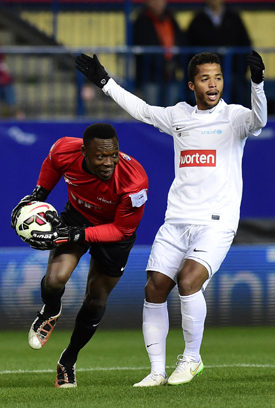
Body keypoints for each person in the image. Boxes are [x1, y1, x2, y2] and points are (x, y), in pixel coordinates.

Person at [75, 50, 267, 386]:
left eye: (218, 77)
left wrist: (258, 83)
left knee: (189, 280)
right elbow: (143, 110)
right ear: (192, 84)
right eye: (206, 78)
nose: (213, 83)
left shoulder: (235, 117)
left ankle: (192, 359)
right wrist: (105, 82)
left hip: (216, 221)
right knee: (154, 288)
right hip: (177, 219)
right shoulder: (179, 115)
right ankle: (156, 372)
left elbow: (260, 120)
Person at [11, 123, 149, 388]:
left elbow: (121, 229)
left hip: (113, 235)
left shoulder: (135, 181)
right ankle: (51, 310)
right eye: (100, 157)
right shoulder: (65, 149)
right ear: (84, 151)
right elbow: (52, 162)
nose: (109, 163)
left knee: (96, 300)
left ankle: (68, 360)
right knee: (54, 280)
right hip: (77, 215)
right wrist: (40, 193)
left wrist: (73, 235)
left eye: (114, 155)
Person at [186, 0, 252, 105]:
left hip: (233, 74)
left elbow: (245, 45)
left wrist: (242, 70)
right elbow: (189, 47)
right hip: (205, 75)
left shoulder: (233, 18)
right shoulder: (198, 20)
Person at [133, 0, 186, 106]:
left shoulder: (171, 19)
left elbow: (180, 41)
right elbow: (143, 48)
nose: (158, 3)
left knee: (170, 112)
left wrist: (174, 64)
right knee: (151, 112)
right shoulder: (141, 21)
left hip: (171, 74)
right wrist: (162, 65)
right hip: (150, 76)